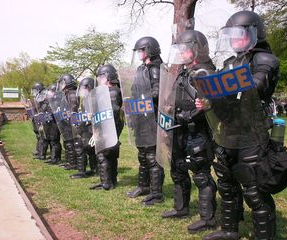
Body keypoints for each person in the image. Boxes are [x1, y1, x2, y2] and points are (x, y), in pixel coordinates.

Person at [202, 11, 280, 240]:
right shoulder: (229, 63)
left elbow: (255, 86)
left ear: (254, 33)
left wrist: (222, 89)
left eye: (239, 34)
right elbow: (218, 94)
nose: (235, 39)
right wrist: (207, 99)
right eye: (232, 35)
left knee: (255, 190)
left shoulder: (264, 60)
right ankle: (229, 230)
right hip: (228, 132)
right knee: (226, 184)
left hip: (252, 133)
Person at [160, 30, 217, 233]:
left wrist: (190, 115)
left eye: (185, 49)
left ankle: (208, 219)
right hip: (180, 129)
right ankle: (180, 208)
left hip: (198, 131)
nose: (182, 53)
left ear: (196, 49)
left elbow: (211, 105)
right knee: (177, 168)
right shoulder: (184, 72)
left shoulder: (205, 72)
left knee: (201, 174)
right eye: (181, 50)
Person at [125, 36, 165, 205]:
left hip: (152, 118)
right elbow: (135, 91)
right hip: (141, 117)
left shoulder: (155, 69)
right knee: (142, 155)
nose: (140, 53)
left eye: (142, 50)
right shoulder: (142, 69)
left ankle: (156, 193)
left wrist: (143, 100)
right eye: (138, 51)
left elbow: (158, 91)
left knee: (152, 157)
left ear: (150, 50)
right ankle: (144, 186)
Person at [90, 64, 124, 190]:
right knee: (111, 154)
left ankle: (105, 183)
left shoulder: (112, 91)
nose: (99, 79)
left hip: (110, 126)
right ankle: (112, 181)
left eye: (101, 76)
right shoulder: (111, 90)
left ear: (108, 76)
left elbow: (113, 110)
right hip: (111, 126)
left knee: (102, 154)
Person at [70, 77, 97, 178]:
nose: (82, 91)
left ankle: (93, 169)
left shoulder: (95, 99)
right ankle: (86, 170)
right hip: (84, 127)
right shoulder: (85, 99)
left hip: (92, 127)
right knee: (83, 146)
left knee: (89, 148)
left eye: (83, 88)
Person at [57, 74, 78, 170]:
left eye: (62, 83)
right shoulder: (67, 93)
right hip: (66, 123)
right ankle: (69, 161)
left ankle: (73, 163)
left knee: (71, 143)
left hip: (71, 124)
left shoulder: (72, 94)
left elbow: (73, 109)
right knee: (68, 143)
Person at [31, 82, 46, 160]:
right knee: (38, 135)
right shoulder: (36, 98)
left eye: (34, 90)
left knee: (41, 136)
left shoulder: (43, 97)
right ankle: (38, 150)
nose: (33, 92)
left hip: (41, 118)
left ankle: (41, 153)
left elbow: (42, 109)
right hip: (36, 118)